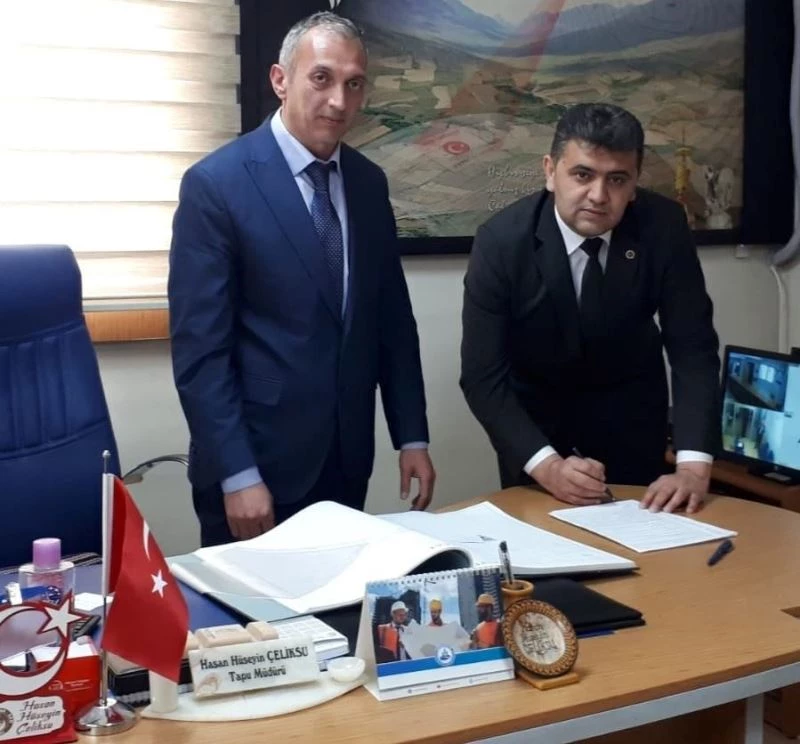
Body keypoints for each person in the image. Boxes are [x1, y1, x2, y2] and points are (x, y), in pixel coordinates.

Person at [169, 12, 435, 547]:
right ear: (280, 80)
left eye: (354, 84)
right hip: (257, 470)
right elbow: (202, 354)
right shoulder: (216, 185)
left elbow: (392, 321)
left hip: (345, 461)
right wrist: (237, 474)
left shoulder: (368, 183)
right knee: (252, 606)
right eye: (321, 78)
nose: (338, 101)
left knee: (338, 599)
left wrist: (412, 436)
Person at [460, 103, 720, 515]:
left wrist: (693, 467)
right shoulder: (502, 242)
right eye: (583, 175)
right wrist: (547, 467)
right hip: (537, 436)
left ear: (634, 183)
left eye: (617, 180)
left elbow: (693, 349)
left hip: (633, 427)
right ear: (550, 171)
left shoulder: (663, 227)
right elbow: (482, 377)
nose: (599, 196)